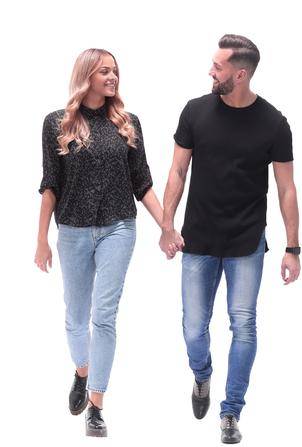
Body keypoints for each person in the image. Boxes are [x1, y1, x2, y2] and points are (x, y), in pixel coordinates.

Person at [159, 34, 301, 445]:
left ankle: (231, 411)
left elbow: (287, 188)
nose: (211, 71)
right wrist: (167, 225)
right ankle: (202, 375)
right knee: (193, 328)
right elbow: (176, 172)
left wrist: (293, 247)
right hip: (197, 240)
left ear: (240, 74)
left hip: (246, 243)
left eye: (218, 67)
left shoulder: (274, 123)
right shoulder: (195, 111)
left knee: (244, 324)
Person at [36, 48, 164, 438]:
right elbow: (50, 185)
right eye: (104, 71)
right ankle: (82, 370)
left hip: (118, 228)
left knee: (103, 315)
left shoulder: (128, 123)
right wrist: (41, 239)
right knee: (76, 318)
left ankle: (96, 404)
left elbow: (142, 181)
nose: (112, 77)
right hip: (72, 231)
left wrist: (167, 227)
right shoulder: (57, 122)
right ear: (87, 75)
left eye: (115, 71)